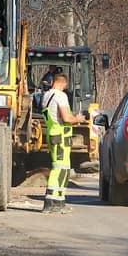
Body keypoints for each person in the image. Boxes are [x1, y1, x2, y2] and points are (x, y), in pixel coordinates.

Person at [41, 72, 86, 213]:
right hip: (61, 136)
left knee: (63, 168)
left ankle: (59, 201)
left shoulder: (46, 96)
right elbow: (66, 118)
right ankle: (51, 202)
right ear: (63, 83)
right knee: (59, 168)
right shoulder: (61, 96)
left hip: (52, 134)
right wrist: (78, 118)